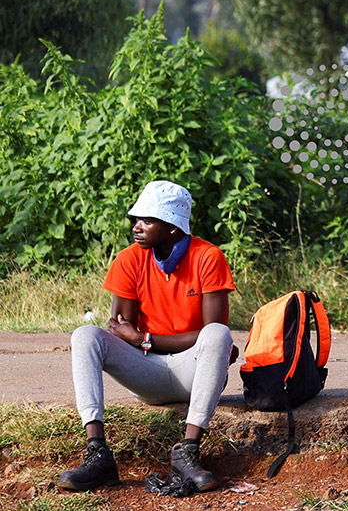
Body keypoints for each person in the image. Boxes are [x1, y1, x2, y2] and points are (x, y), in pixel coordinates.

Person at [60, 181, 236, 492]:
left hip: (195, 375)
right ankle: (97, 453)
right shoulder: (130, 259)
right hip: (146, 373)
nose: (137, 227)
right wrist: (141, 340)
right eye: (136, 220)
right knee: (86, 335)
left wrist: (145, 338)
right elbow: (119, 330)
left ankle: (188, 453)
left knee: (219, 334)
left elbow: (211, 334)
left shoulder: (207, 257)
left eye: (147, 220)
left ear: (172, 227)